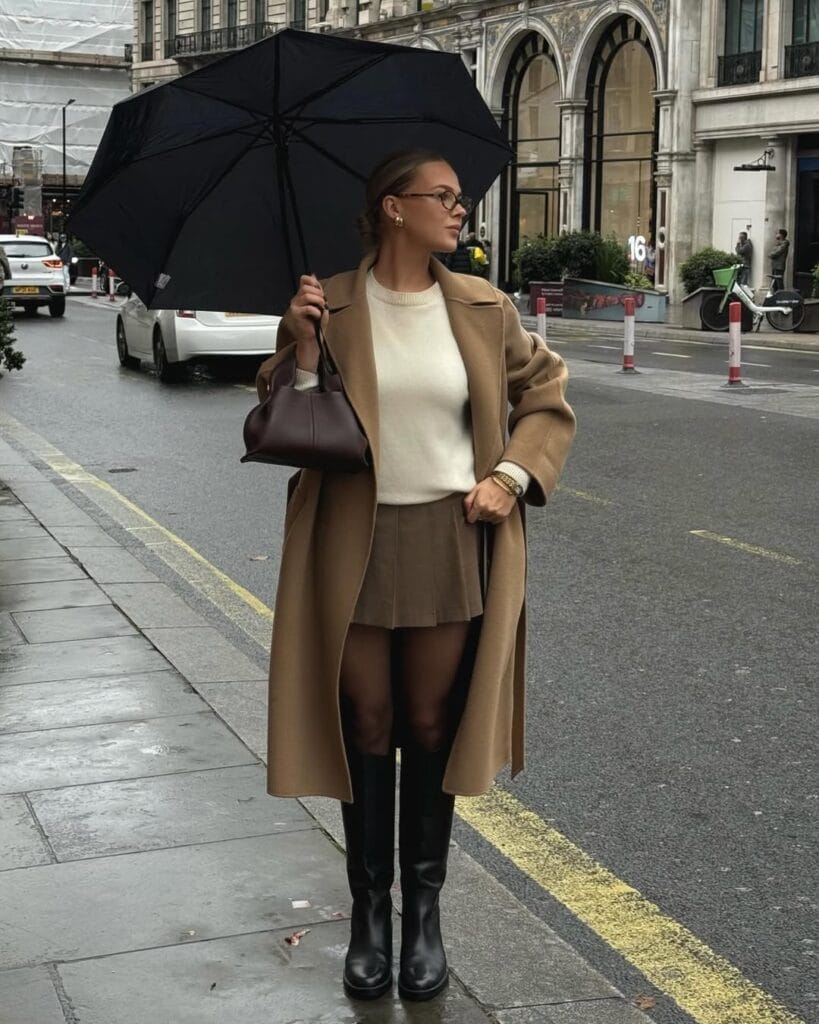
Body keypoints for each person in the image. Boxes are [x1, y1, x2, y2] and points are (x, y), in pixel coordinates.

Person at [254, 149, 575, 1003]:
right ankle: (369, 915)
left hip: (446, 533)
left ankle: (424, 915)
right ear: (392, 208)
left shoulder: (481, 305)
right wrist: (300, 343)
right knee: (364, 722)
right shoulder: (332, 301)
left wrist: (510, 476)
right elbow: (282, 411)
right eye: (443, 197)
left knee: (430, 723)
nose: (459, 210)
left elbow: (546, 394)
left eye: (460, 200)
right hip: (349, 539)